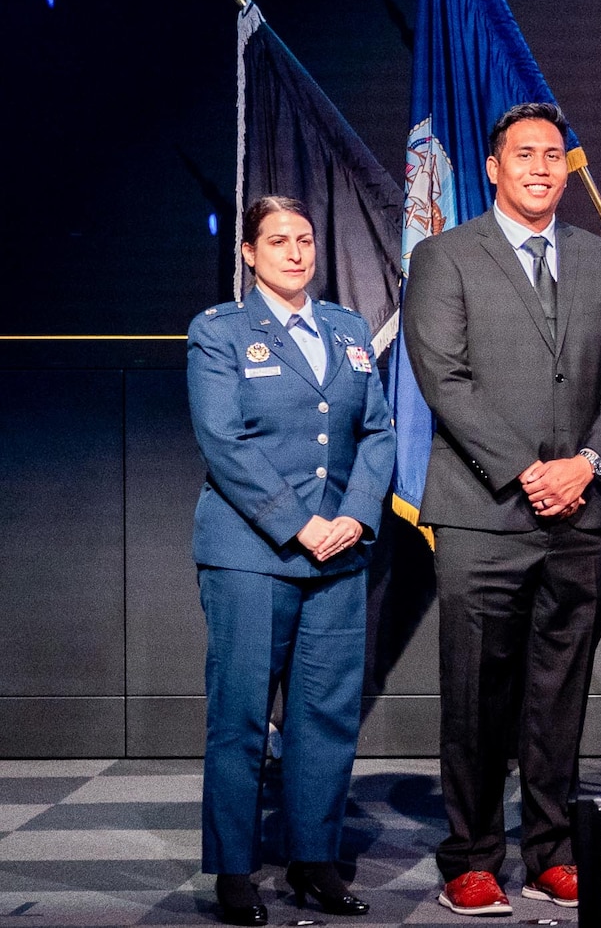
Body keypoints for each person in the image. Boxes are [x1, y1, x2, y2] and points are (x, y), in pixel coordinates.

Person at [402, 102, 601, 916]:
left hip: (582, 514)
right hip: (483, 515)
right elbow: (444, 377)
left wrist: (585, 464)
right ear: (493, 166)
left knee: (559, 692)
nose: (541, 167)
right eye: (524, 154)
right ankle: (472, 856)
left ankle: (551, 850)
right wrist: (526, 471)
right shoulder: (444, 256)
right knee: (477, 694)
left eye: (553, 155)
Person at [186, 196, 393, 926]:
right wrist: (298, 523)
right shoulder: (219, 330)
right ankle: (234, 869)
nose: (296, 253)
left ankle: (314, 861)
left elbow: (378, 431)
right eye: (277, 241)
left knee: (325, 716)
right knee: (241, 716)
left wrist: (355, 515)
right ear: (249, 252)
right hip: (251, 552)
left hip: (338, 553)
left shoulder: (348, 328)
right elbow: (223, 440)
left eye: (304, 239)